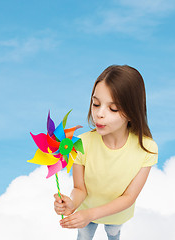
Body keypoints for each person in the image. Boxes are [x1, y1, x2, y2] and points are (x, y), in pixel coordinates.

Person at [54, 65, 158, 240]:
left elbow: (128, 197)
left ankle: (113, 232)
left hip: (117, 213)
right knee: (84, 235)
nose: (99, 114)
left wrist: (90, 214)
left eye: (113, 108)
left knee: (113, 231)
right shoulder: (81, 144)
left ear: (133, 112)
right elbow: (80, 188)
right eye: (96, 104)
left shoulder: (146, 149)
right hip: (86, 210)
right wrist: (71, 203)